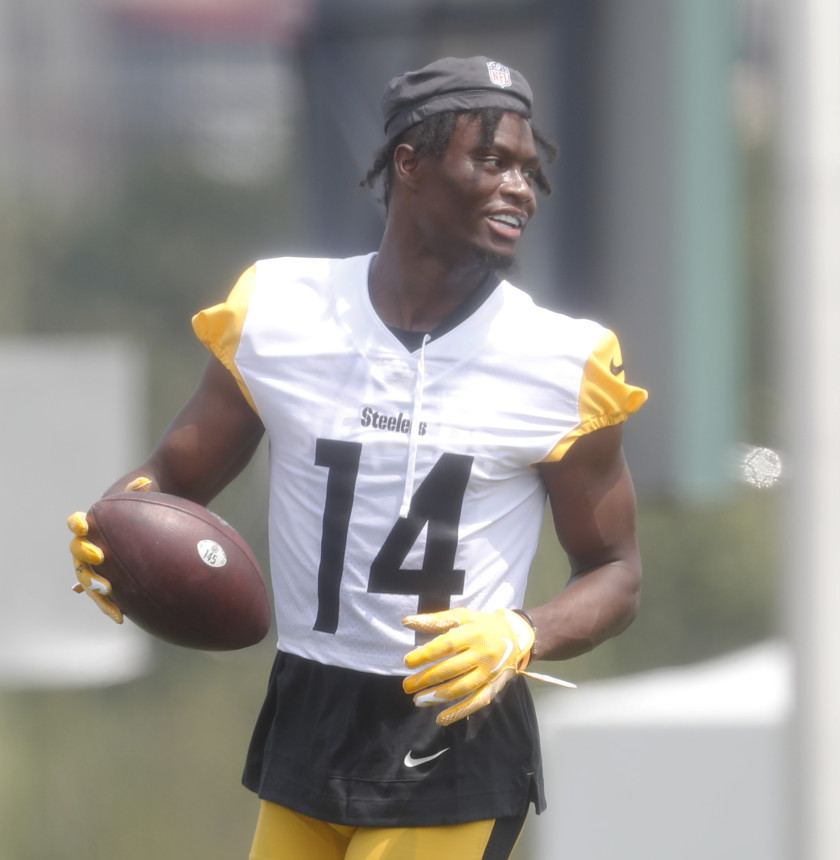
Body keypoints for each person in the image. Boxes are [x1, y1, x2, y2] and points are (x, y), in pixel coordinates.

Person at [67, 55, 647, 860]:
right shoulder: (280, 312)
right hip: (308, 713)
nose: (520, 188)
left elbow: (616, 573)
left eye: (527, 169)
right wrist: (113, 533)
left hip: (449, 730)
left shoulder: (560, 360)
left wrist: (522, 630)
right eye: (491, 161)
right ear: (409, 163)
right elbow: (170, 480)